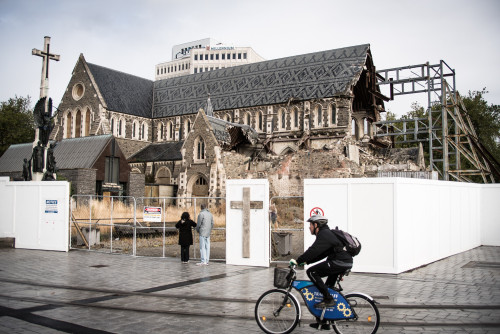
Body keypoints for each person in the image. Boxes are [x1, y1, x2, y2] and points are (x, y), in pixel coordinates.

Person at [291, 215, 353, 308]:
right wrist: (306, 262)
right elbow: (321, 254)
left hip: (340, 262)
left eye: (310, 225)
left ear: (316, 225)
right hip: (342, 262)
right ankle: (324, 320)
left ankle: (329, 299)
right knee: (327, 288)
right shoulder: (326, 234)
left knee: (312, 272)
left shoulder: (324, 234)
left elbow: (313, 250)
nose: (309, 227)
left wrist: (298, 261)